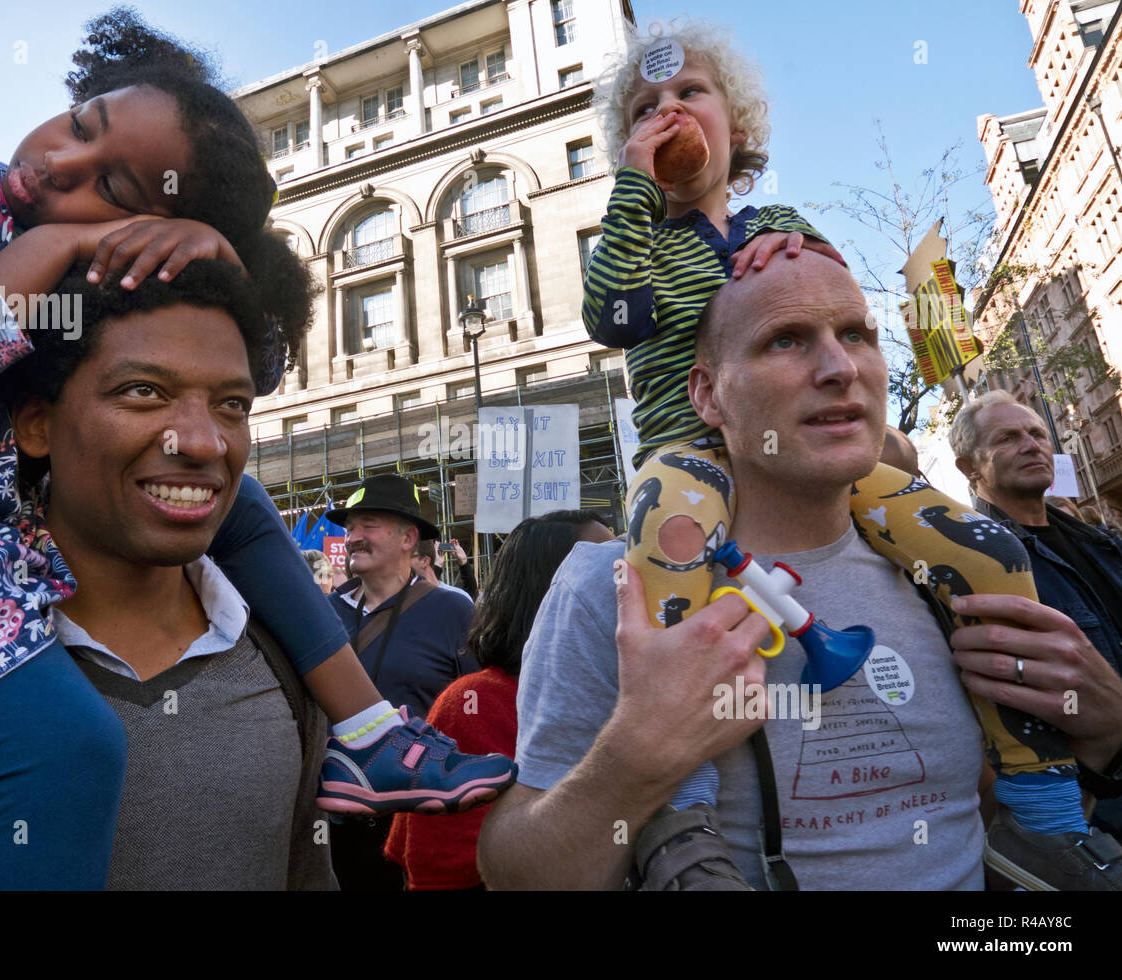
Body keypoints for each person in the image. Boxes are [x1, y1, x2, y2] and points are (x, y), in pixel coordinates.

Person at [0, 9, 508, 890]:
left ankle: (369, 732)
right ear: (41, 415)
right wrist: (74, 235)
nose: (59, 164)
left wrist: (217, 254)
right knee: (66, 750)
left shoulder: (88, 294)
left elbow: (242, 358)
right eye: (83, 125)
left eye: (111, 191)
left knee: (244, 503)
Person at [582, 17, 1093, 886]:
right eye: (645, 107)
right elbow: (612, 316)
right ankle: (687, 813)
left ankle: (1047, 805)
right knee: (670, 535)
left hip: (809, 464)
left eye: (688, 94)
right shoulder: (635, 241)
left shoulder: (776, 219)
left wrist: (801, 257)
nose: (667, 113)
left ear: (736, 127)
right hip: (690, 457)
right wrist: (635, 185)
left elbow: (830, 310)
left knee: (983, 546)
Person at [477, 251, 1122, 890]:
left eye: (857, 336)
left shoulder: (943, 578)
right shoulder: (612, 588)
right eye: (785, 341)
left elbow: (974, 818)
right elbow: (518, 874)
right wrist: (639, 753)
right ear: (709, 395)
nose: (840, 368)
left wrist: (1105, 735)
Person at [0, 261, 334, 889]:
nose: (204, 443)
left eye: (232, 404)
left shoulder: (287, 670)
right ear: (36, 425)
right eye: (144, 392)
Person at [386, 511, 613, 889]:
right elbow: (447, 871)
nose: (629, 572)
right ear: (553, 591)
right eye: (608, 562)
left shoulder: (626, 691)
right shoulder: (474, 704)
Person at [322, 474, 514, 889]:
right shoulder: (321, 613)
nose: (353, 537)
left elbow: (477, 708)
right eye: (350, 528)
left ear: (409, 538)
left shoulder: (451, 610)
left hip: (412, 824)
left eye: (367, 525)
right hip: (330, 822)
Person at [951, 390, 1122, 845]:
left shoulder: (1102, 542)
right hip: (1090, 806)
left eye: (1037, 433)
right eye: (1008, 437)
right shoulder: (972, 564)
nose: (1032, 445)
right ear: (969, 467)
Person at [410, 539, 473, 605]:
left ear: (425, 561)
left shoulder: (459, 596)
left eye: (408, 556)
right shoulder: (406, 597)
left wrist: (464, 562)